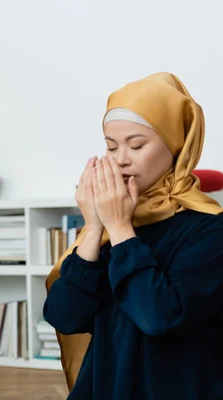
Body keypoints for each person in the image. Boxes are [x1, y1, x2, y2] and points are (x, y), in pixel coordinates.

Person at [44, 72, 223, 399]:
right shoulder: (110, 219)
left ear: (176, 143)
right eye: (111, 147)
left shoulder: (210, 228)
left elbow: (160, 317)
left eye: (136, 144)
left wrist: (121, 230)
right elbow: (64, 316)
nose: (121, 159)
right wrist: (95, 227)